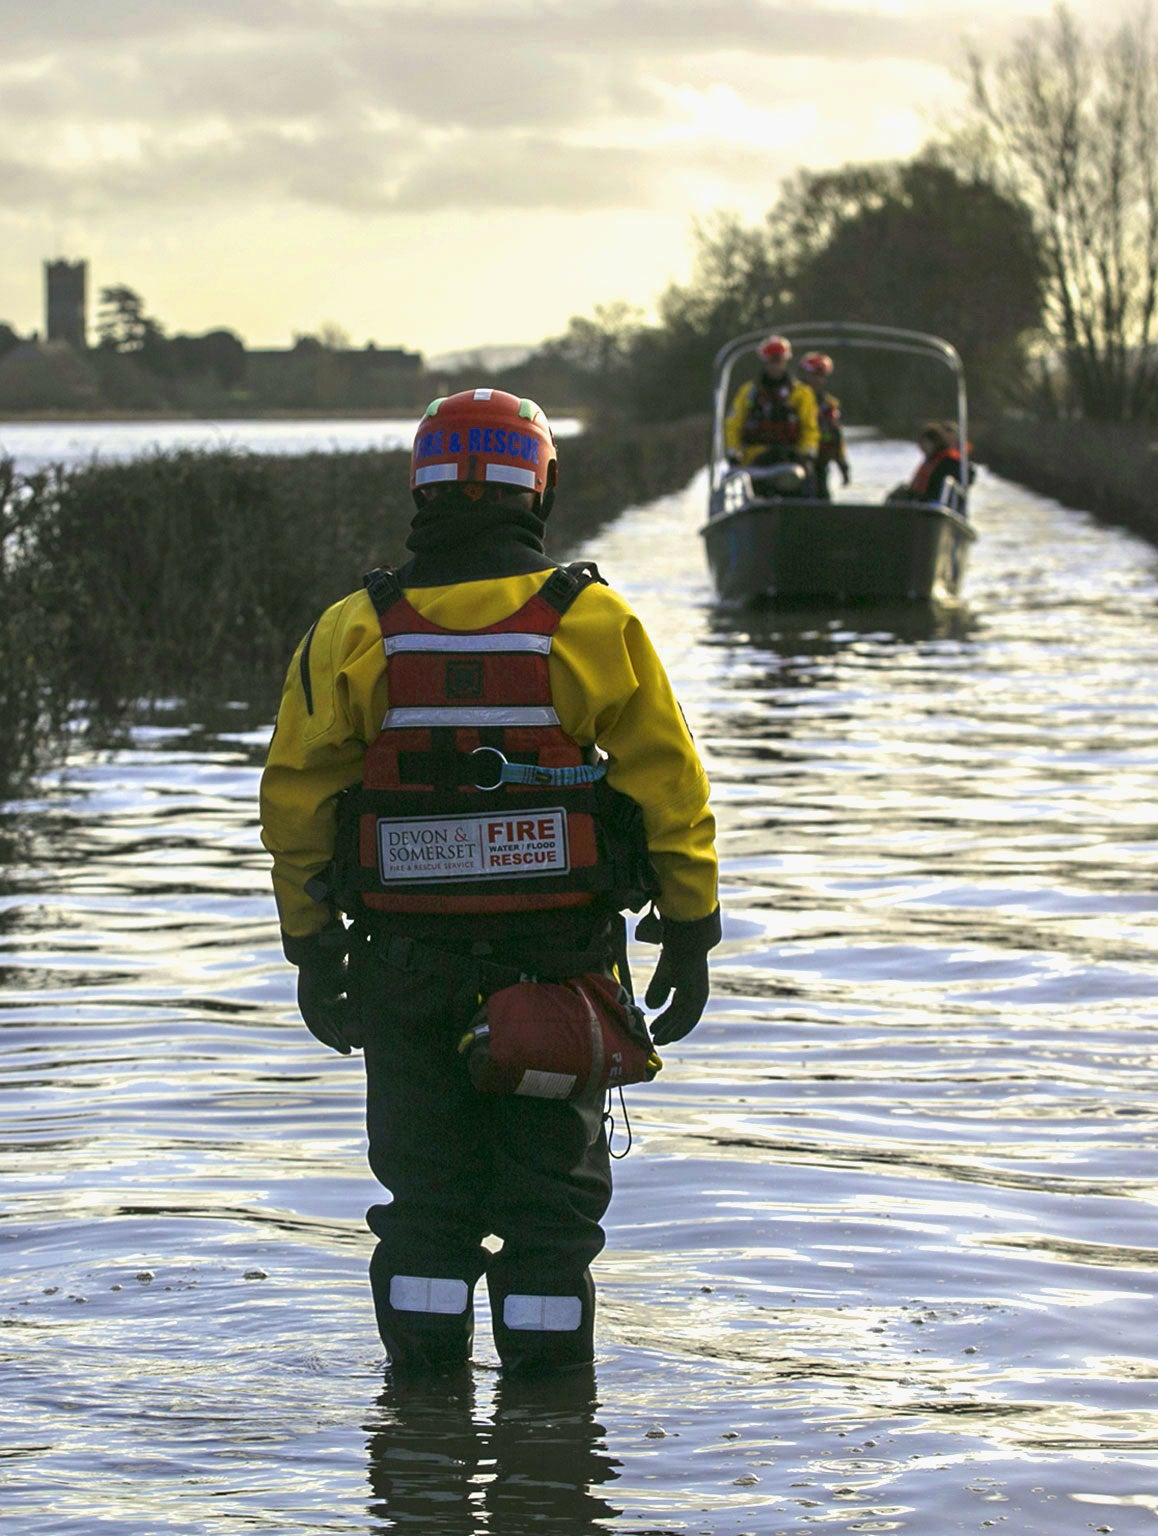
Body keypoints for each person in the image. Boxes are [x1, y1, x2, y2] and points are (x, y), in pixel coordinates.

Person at [259, 387, 721, 1378]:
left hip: (402, 974)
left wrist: (311, 951)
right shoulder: (594, 623)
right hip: (557, 986)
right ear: (540, 484)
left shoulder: (351, 630)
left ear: (420, 485)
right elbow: (669, 787)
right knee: (549, 1220)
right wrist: (689, 930)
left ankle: (417, 1441)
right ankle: (551, 1456)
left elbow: (295, 803)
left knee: (424, 1210)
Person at [722, 334, 820, 495]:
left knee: (806, 487)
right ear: (764, 361)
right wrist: (734, 454)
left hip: (790, 459)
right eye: (771, 361)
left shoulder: (801, 394)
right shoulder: (748, 393)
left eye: (779, 361)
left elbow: (810, 428)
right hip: (756, 461)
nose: (775, 366)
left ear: (786, 361)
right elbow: (733, 424)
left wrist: (806, 456)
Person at [798, 351, 850, 500]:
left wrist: (843, 467)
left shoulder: (830, 405)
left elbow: (837, 438)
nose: (818, 380)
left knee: (822, 500)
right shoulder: (794, 398)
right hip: (796, 463)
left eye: (822, 375)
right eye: (814, 375)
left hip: (821, 465)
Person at [888, 421, 968, 508]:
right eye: (920, 443)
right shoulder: (930, 461)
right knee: (898, 494)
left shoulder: (948, 461)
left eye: (924, 443)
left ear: (935, 443)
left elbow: (937, 489)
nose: (921, 447)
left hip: (935, 504)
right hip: (922, 501)